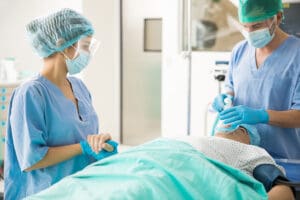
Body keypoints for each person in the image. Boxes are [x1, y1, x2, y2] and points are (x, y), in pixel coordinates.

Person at [4, 8, 117, 200]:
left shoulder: (79, 87)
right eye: (85, 46)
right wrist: (83, 148)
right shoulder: (31, 93)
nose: (88, 54)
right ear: (63, 45)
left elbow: (86, 138)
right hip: (45, 193)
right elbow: (31, 159)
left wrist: (100, 145)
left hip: (80, 190)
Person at [212, 0, 300, 181]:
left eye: (257, 26)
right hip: (241, 162)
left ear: (277, 17)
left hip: (285, 163)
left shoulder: (296, 55)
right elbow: (232, 89)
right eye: (246, 27)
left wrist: (262, 116)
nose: (250, 33)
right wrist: (225, 98)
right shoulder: (239, 51)